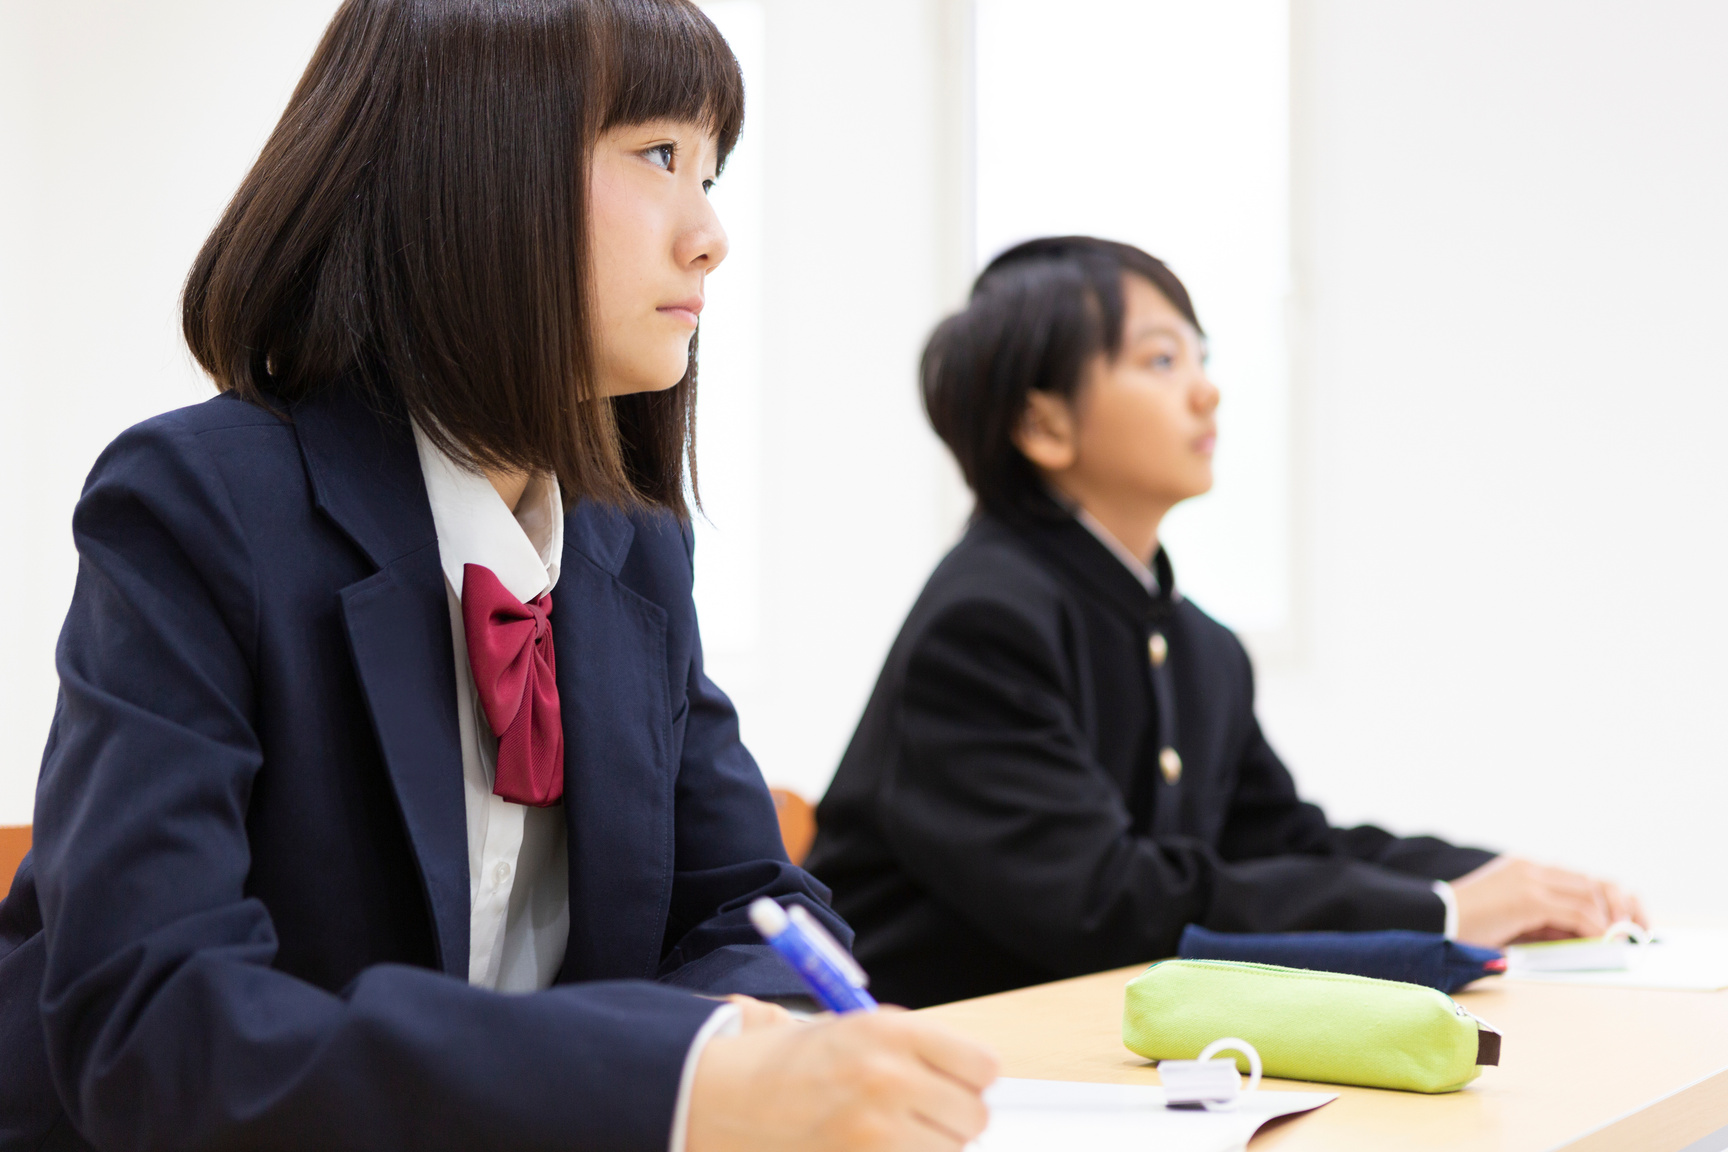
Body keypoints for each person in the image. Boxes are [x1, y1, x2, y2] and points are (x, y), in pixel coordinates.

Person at [0, 2, 995, 1149]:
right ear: (476, 166)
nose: (711, 234)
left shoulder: (634, 547)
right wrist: (673, 1080)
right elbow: (155, 1025)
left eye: (714, 176)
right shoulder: (199, 502)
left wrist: (725, 1051)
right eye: (661, 156)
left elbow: (757, 910)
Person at [805, 236, 1644, 1009]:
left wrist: (1501, 883)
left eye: (1200, 358)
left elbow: (1279, 841)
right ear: (1044, 423)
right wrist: (1448, 907)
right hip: (943, 1070)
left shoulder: (1202, 645)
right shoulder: (985, 620)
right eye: (1161, 360)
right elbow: (1105, 903)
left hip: (1108, 1060)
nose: (1208, 389)